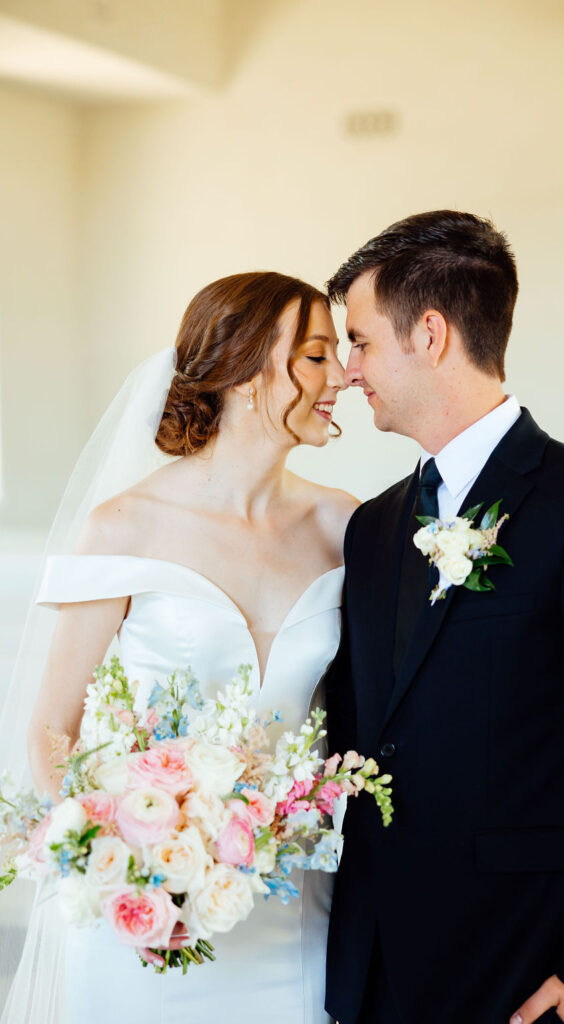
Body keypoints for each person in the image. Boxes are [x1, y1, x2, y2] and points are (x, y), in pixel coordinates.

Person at [323, 210, 564, 1024]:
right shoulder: (371, 528)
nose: (347, 370)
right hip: (373, 969)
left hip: (527, 969)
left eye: (360, 340)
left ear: (430, 332)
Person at [4, 271, 357, 1024]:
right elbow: (51, 730)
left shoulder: (344, 529)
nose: (344, 376)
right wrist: (124, 863)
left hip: (292, 916)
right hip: (149, 916)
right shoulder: (126, 525)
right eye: (317, 356)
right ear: (247, 369)